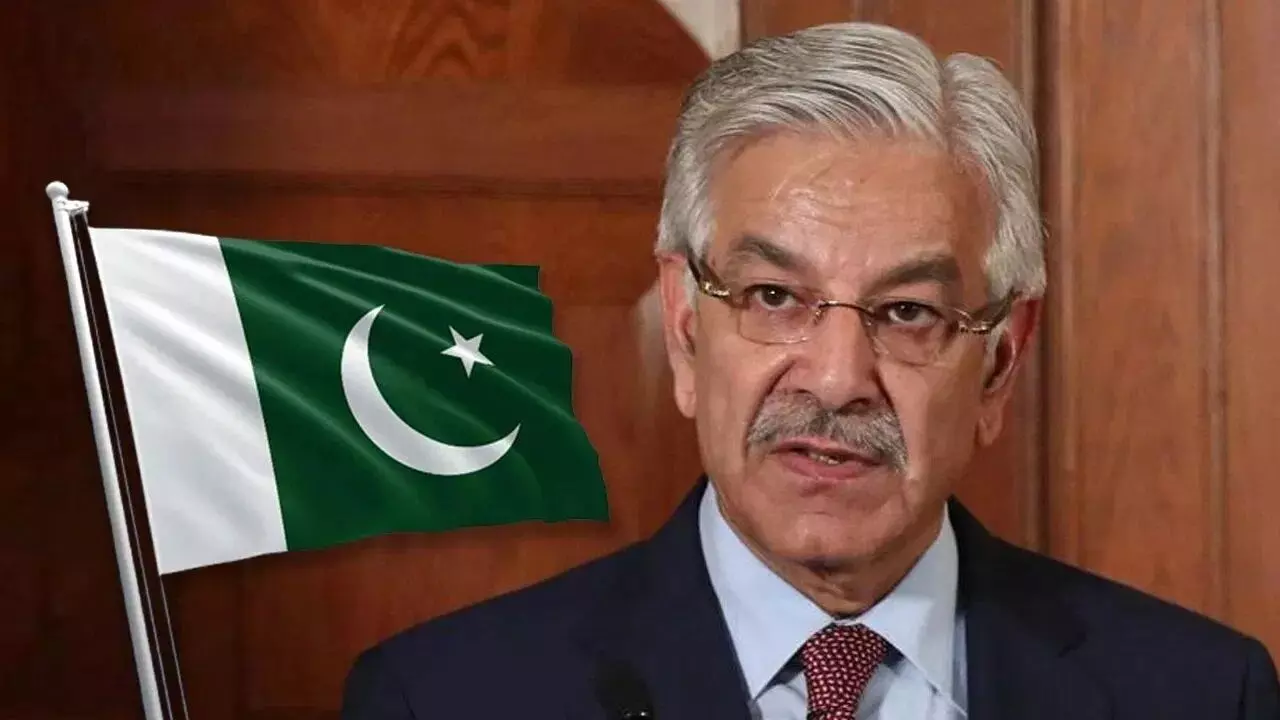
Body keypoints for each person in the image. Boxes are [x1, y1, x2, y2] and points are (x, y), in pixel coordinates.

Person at [341, 21, 1280, 719]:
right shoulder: (447, 698)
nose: (835, 380)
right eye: (773, 297)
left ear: (1000, 360)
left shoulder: (1201, 695)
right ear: (684, 329)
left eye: (907, 312)